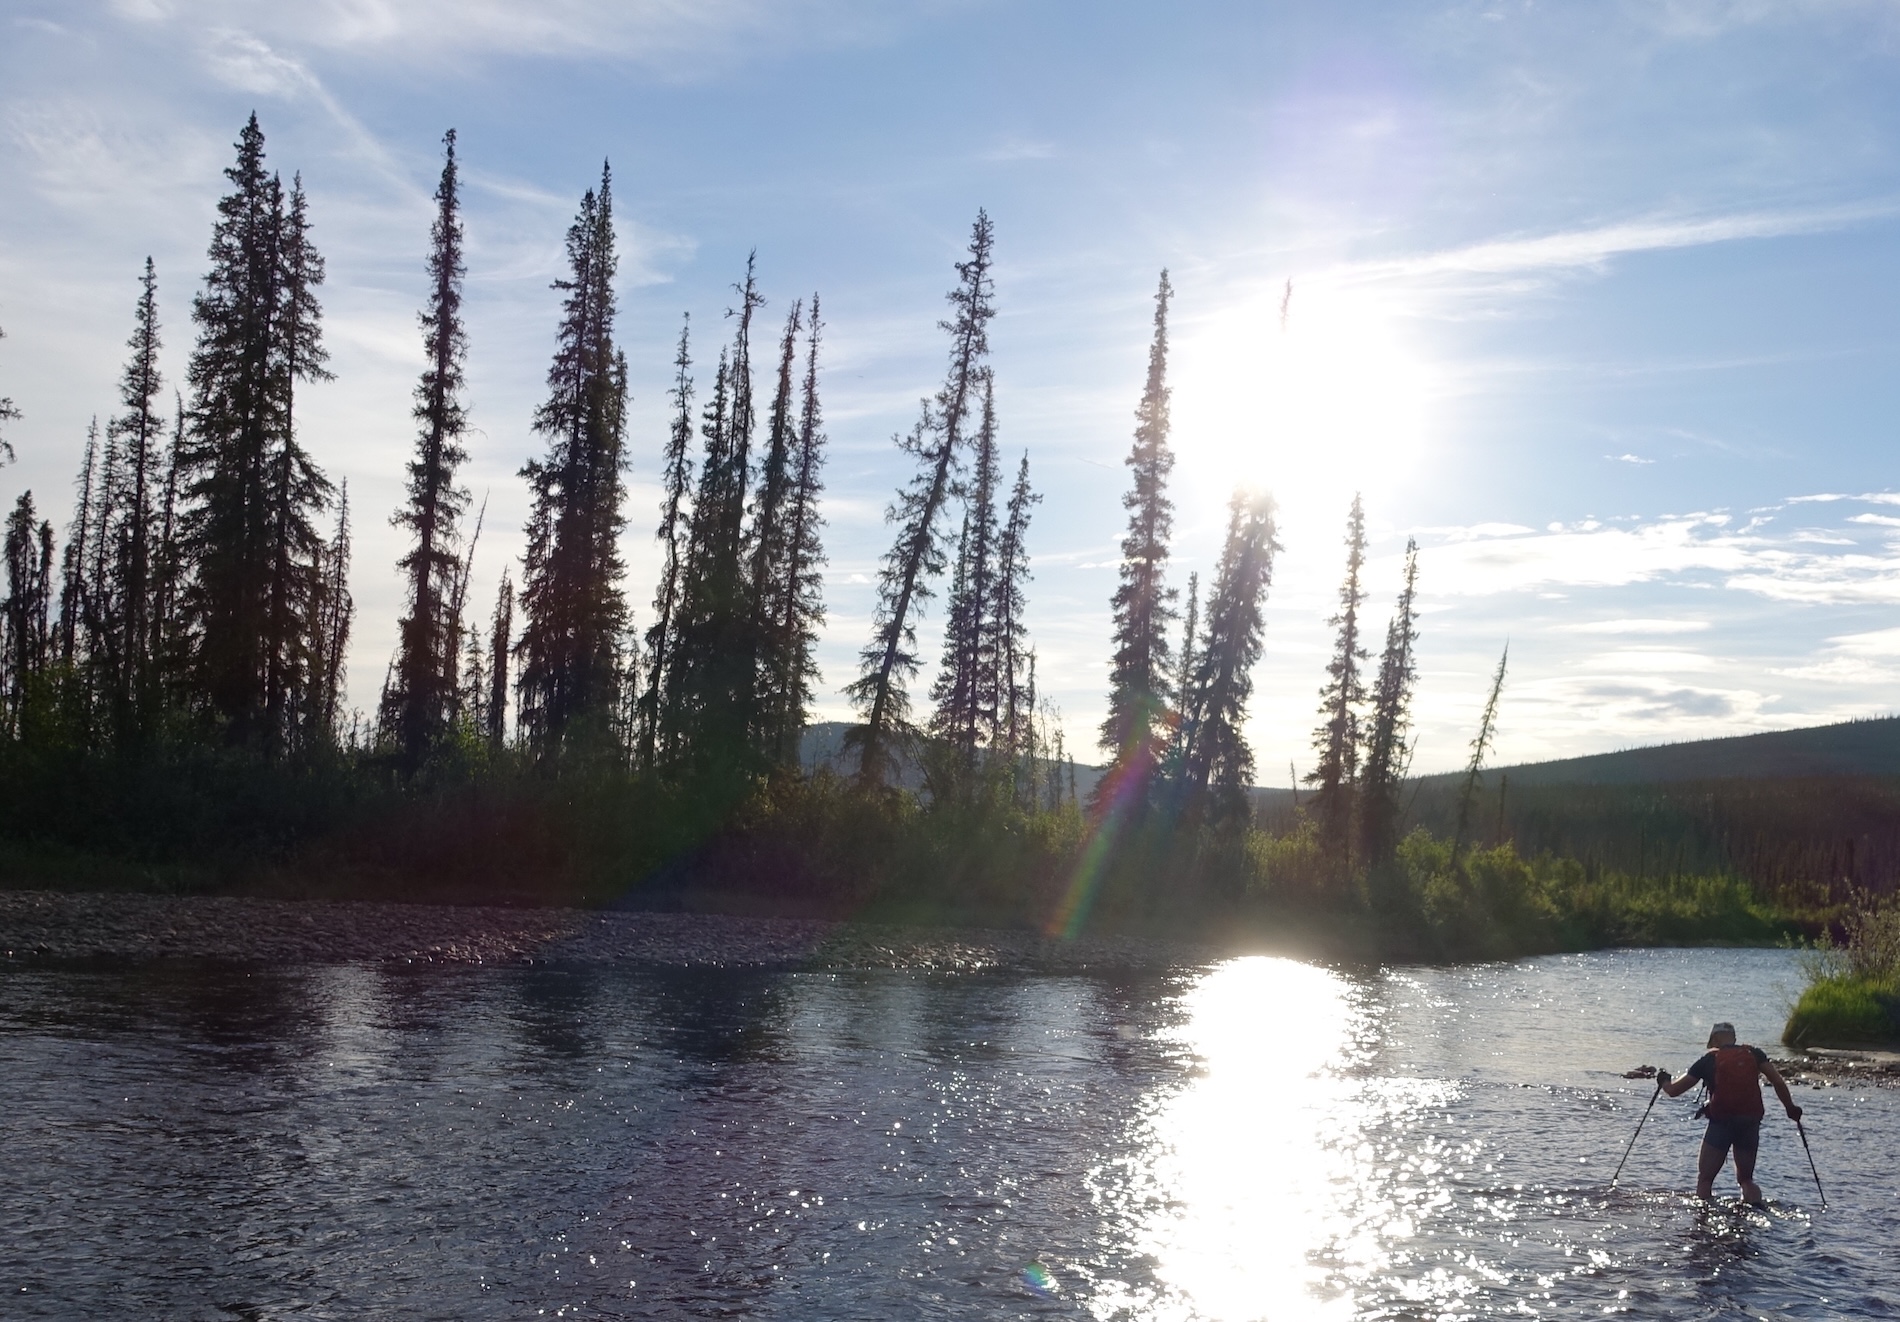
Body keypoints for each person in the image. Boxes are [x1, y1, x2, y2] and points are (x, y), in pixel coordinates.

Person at [1656, 1021, 1802, 1203]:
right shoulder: (1753, 1054)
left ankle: (1703, 1220)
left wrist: (1664, 1081)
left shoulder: (1708, 1060)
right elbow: (1778, 1082)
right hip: (1750, 1121)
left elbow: (1674, 1091)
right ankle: (1755, 1212)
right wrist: (1790, 1109)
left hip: (1721, 1122)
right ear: (1734, 1037)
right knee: (1746, 1179)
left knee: (1705, 1179)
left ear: (1715, 1039)